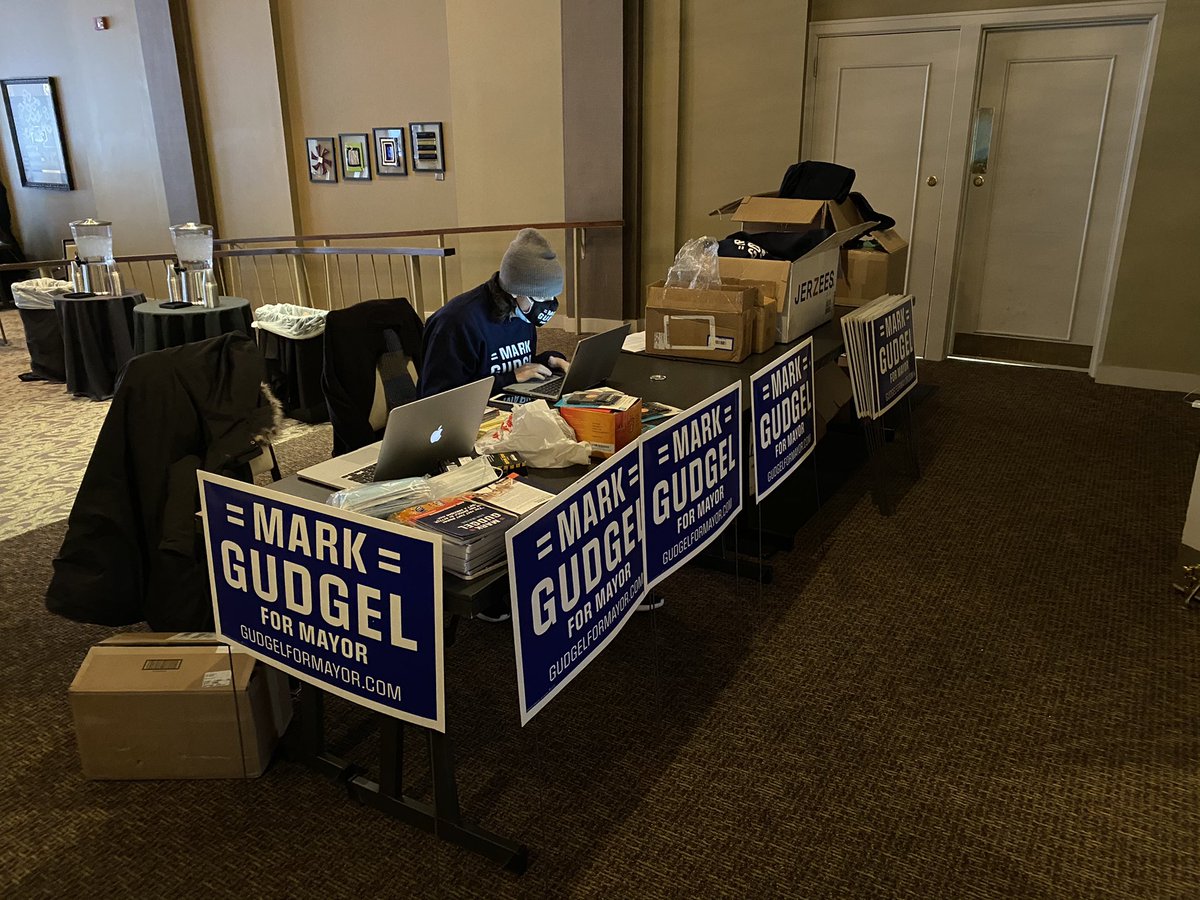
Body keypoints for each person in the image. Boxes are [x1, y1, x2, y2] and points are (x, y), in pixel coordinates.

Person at [418, 228, 568, 398]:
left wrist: (549, 361)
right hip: (471, 416)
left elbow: (514, 366)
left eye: (552, 296)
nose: (548, 304)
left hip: (508, 405)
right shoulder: (456, 323)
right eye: (541, 297)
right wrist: (509, 379)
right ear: (514, 291)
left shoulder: (521, 314)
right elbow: (439, 396)